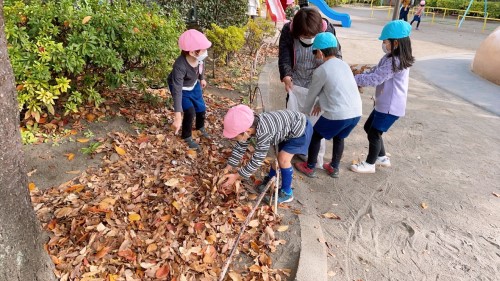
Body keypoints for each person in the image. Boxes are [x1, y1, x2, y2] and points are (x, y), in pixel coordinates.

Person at [293, 32, 362, 178]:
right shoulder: (344, 65)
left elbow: (312, 93)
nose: (314, 56)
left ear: (319, 52)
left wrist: (304, 112)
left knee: (316, 135)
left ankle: (310, 166)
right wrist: (320, 102)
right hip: (355, 113)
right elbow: (336, 89)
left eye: (314, 52)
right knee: (339, 137)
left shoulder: (321, 70)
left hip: (337, 114)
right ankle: (334, 167)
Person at [351, 20, 415, 174]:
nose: (384, 44)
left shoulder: (396, 62)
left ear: (396, 43)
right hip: (383, 104)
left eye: (386, 41)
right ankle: (382, 157)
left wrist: (352, 79)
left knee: (374, 133)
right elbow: (374, 72)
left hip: (390, 107)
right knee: (370, 128)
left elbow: (375, 79)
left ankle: (370, 164)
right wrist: (360, 74)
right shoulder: (388, 58)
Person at [221, 105, 313, 204]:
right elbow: (239, 148)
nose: (234, 139)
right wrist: (228, 167)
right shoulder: (249, 126)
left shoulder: (263, 133)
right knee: (277, 160)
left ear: (246, 132)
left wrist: (237, 176)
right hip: (288, 130)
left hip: (301, 130)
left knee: (283, 159)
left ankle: (287, 193)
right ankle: (270, 181)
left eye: (235, 137)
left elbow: (257, 160)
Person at [279, 7, 341, 95]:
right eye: (305, 36)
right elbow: (284, 56)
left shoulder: (327, 31)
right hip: (296, 79)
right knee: (294, 106)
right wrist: (286, 76)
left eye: (312, 36)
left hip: (319, 79)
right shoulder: (288, 30)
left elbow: (336, 56)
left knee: (317, 104)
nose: (309, 39)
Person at [167, 29, 212, 150]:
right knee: (190, 111)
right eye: (203, 49)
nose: (205, 52)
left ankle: (200, 127)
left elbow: (201, 67)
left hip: (194, 85)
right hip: (181, 89)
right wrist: (177, 117)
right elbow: (177, 90)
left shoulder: (199, 58)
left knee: (201, 107)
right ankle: (186, 136)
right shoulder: (180, 66)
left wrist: (202, 78)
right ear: (192, 52)